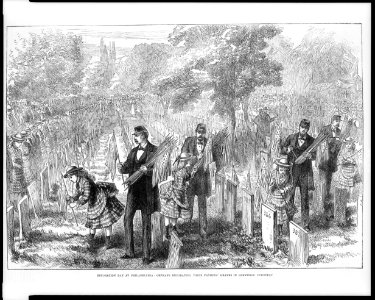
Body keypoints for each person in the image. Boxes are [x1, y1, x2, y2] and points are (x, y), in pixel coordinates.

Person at [117, 125, 159, 264]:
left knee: (146, 223)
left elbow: (160, 171)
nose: (135, 137)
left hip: (147, 191)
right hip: (133, 191)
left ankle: (146, 256)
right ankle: (129, 252)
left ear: (145, 135)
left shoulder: (155, 150)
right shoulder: (133, 151)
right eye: (134, 135)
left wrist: (147, 170)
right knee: (127, 218)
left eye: (137, 135)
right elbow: (127, 167)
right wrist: (121, 168)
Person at [64, 166, 125, 251]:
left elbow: (86, 196)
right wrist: (72, 198)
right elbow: (78, 193)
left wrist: (77, 203)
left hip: (100, 199)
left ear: (76, 175)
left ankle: (108, 243)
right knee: (92, 223)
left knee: (106, 222)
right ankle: (91, 242)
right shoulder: (78, 183)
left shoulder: (85, 182)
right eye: (69, 177)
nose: (70, 179)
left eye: (71, 176)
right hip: (93, 202)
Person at [281, 119, 316, 231]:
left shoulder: (312, 141)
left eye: (305, 128)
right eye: (302, 128)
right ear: (299, 127)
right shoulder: (291, 138)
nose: (303, 130)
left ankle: (305, 224)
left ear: (308, 129)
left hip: (305, 172)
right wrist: (287, 149)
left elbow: (315, 155)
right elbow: (282, 149)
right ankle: (289, 221)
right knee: (290, 196)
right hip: (292, 171)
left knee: (304, 198)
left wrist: (311, 156)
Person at [181, 123, 212, 239]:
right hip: (190, 178)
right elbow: (183, 157)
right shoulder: (188, 141)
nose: (201, 135)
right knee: (188, 205)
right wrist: (195, 158)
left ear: (205, 133)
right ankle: (186, 229)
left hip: (202, 180)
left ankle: (203, 231)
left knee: (202, 206)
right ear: (196, 132)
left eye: (203, 133)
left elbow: (211, 159)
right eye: (199, 132)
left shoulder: (208, 143)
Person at [159, 152, 197, 239]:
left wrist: (191, 174)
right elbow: (184, 179)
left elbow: (186, 179)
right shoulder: (180, 170)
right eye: (187, 161)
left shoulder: (181, 168)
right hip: (173, 194)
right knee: (171, 215)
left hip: (176, 193)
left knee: (172, 215)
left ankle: (172, 231)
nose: (188, 162)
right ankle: (170, 232)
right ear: (184, 161)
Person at [317, 115, 342, 221]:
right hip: (323, 162)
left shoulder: (339, 132)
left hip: (331, 163)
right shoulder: (325, 129)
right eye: (336, 121)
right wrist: (331, 143)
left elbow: (338, 146)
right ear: (332, 121)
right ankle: (321, 210)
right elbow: (319, 143)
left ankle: (327, 210)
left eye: (339, 121)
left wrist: (338, 145)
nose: (338, 123)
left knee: (328, 186)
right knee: (322, 185)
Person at [334, 137, 360, 226]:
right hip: (342, 177)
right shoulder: (342, 152)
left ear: (352, 144)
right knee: (340, 197)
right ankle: (339, 220)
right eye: (347, 144)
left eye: (350, 144)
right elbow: (339, 162)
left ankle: (346, 219)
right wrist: (347, 161)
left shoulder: (354, 153)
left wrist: (352, 162)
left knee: (347, 198)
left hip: (351, 176)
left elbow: (357, 164)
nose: (349, 145)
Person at [269, 155, 294, 236]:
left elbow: (290, 185)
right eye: (281, 169)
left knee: (282, 215)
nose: (282, 171)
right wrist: (272, 185)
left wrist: (285, 189)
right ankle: (276, 230)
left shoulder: (288, 176)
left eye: (284, 169)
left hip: (283, 198)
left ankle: (281, 230)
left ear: (286, 169)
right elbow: (271, 187)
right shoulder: (275, 176)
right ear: (278, 169)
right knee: (276, 214)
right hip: (276, 197)